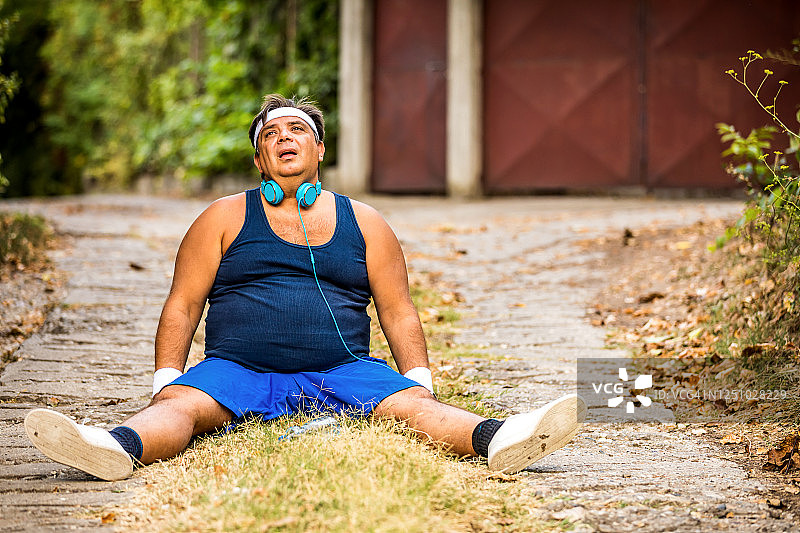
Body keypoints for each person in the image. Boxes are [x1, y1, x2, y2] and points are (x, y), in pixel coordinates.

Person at [24, 94, 586, 482]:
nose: (284, 138)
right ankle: (112, 448)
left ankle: (500, 439)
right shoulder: (221, 217)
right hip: (236, 371)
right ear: (259, 158)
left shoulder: (365, 222)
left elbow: (399, 310)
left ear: (319, 151)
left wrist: (419, 381)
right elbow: (183, 304)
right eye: (270, 135)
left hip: (344, 373)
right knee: (178, 409)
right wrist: (167, 381)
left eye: (298, 130)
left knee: (416, 408)